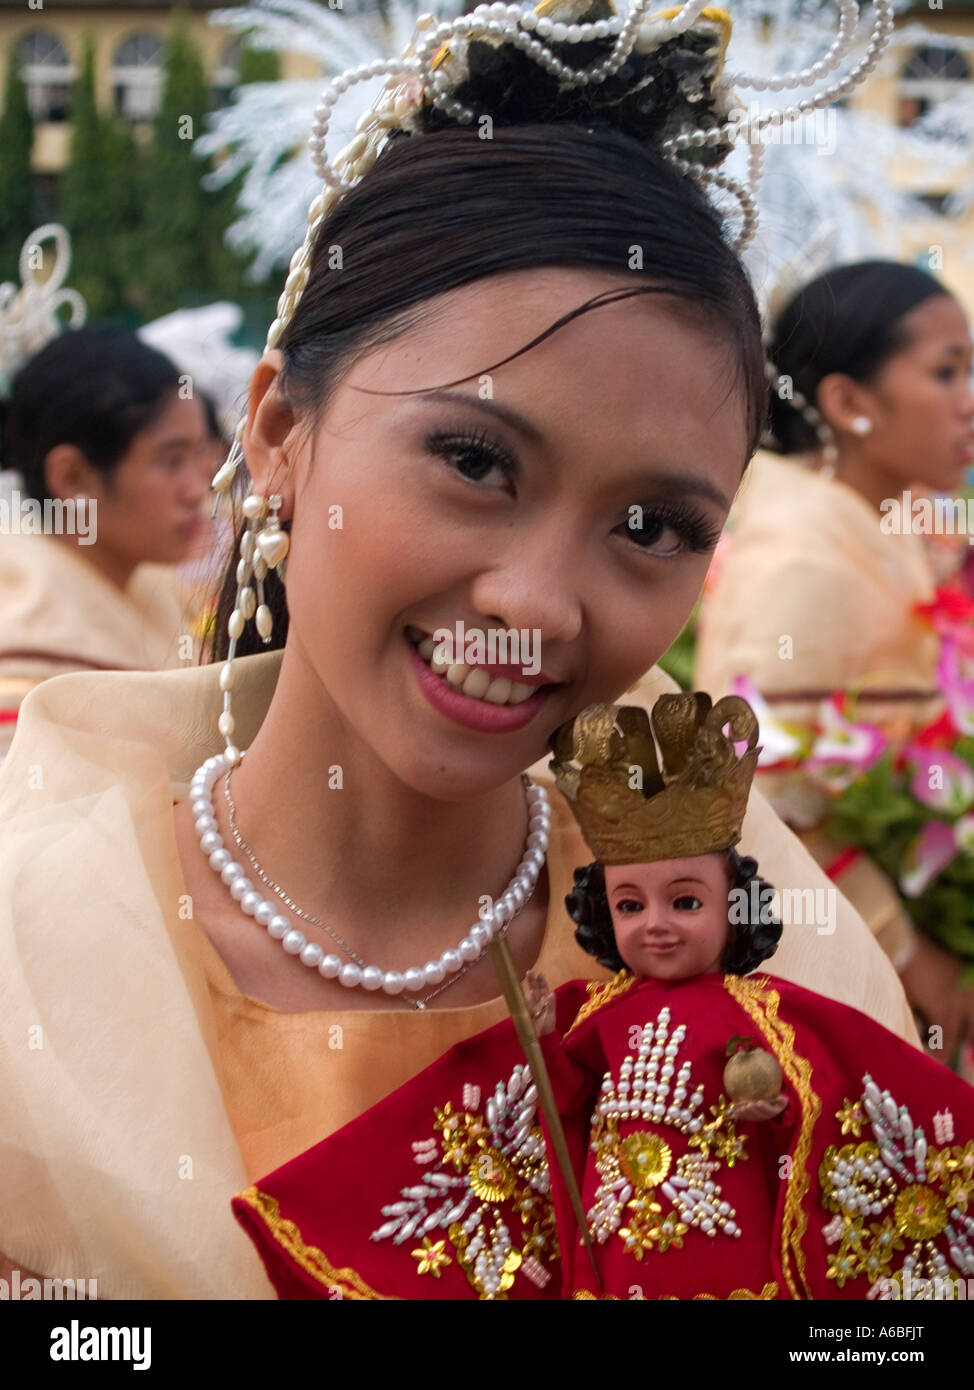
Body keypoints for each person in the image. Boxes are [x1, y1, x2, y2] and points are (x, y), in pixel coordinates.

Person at [0, 1, 917, 1299]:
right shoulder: (32, 947)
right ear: (276, 431)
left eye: (649, 525)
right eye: (474, 460)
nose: (539, 602)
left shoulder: (772, 982)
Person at [230, 695, 974, 1301]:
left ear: (733, 905)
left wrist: (773, 1110)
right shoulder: (596, 1013)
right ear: (601, 911)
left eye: (684, 902)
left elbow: (848, 1092)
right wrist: (543, 1046)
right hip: (612, 1252)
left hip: (738, 1254)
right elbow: (553, 1106)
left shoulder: (770, 1017)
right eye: (629, 906)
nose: (654, 925)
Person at [694, 260, 974, 1062]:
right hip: (842, 967)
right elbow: (763, 804)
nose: (968, 400)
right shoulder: (802, 559)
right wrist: (912, 955)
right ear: (849, 403)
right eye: (946, 371)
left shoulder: (885, 520)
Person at [0, 325, 214, 753]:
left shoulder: (149, 585)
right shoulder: (30, 654)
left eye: (198, 456)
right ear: (73, 478)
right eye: (171, 461)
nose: (197, 490)